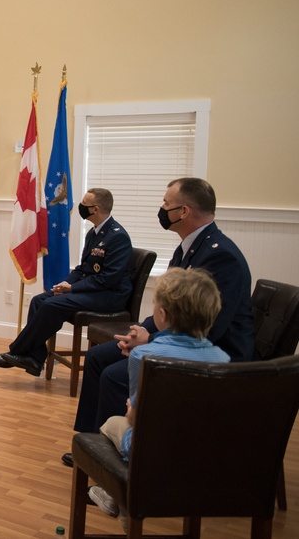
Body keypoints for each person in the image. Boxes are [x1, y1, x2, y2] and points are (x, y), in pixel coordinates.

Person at [64, 177, 254, 467]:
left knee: (114, 375)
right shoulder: (189, 247)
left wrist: (151, 341)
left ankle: (125, 461)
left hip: (217, 354)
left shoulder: (220, 256)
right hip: (181, 341)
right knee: (97, 357)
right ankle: (92, 444)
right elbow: (171, 309)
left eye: (166, 203)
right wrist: (140, 332)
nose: (162, 209)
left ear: (184, 211)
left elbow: (211, 328)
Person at [87, 268, 228, 523]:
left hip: (149, 451)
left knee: (110, 424)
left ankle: (116, 496)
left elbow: (136, 418)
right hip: (198, 452)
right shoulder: (222, 358)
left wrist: (131, 408)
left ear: (161, 315)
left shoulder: (144, 356)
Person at [0, 189, 132, 377]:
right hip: (92, 290)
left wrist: (72, 288)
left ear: (96, 209)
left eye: (84, 204)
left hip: (109, 296)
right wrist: (65, 283)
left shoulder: (117, 236)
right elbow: (83, 269)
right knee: (39, 301)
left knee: (50, 305)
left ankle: (17, 352)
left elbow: (108, 279)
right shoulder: (93, 234)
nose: (80, 206)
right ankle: (35, 357)